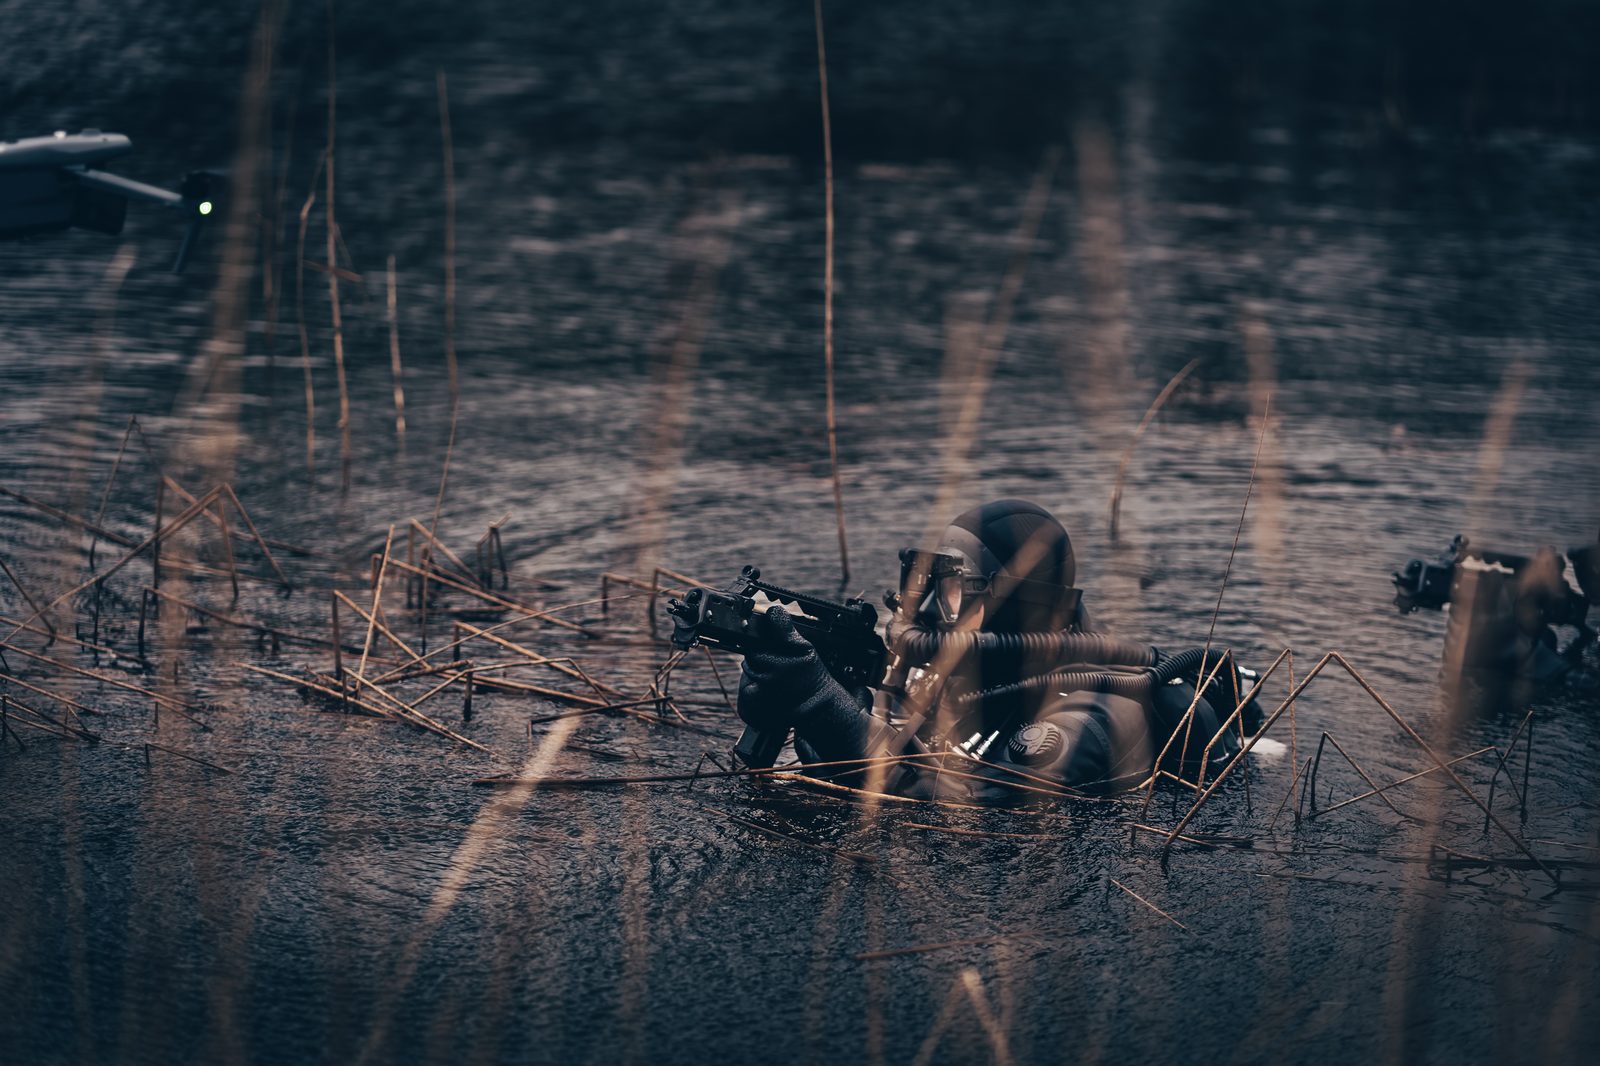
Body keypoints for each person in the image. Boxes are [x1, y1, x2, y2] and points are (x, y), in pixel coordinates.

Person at [735, 498, 1262, 804]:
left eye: (950, 587)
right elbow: (895, 755)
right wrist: (805, 702)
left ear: (1018, 607)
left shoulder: (1093, 715)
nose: (922, 609)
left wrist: (829, 715)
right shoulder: (954, 679)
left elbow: (968, 816)